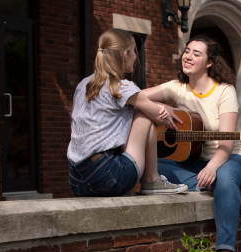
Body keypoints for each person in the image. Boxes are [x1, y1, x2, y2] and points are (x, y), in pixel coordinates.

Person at [142, 35, 241, 252]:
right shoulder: (176, 88)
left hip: (232, 159)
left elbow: (226, 144)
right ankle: (227, 195)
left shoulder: (225, 91)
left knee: (225, 178)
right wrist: (160, 108)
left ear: (210, 62)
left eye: (196, 54)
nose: (188, 56)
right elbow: (134, 97)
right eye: (187, 51)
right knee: (150, 165)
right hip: (194, 163)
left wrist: (213, 167)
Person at [67, 28, 188, 197]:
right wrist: (161, 107)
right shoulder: (122, 87)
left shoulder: (84, 85)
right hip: (106, 177)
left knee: (137, 109)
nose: (136, 57)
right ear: (125, 54)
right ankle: (152, 181)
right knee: (144, 115)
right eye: (134, 52)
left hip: (76, 180)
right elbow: (159, 117)